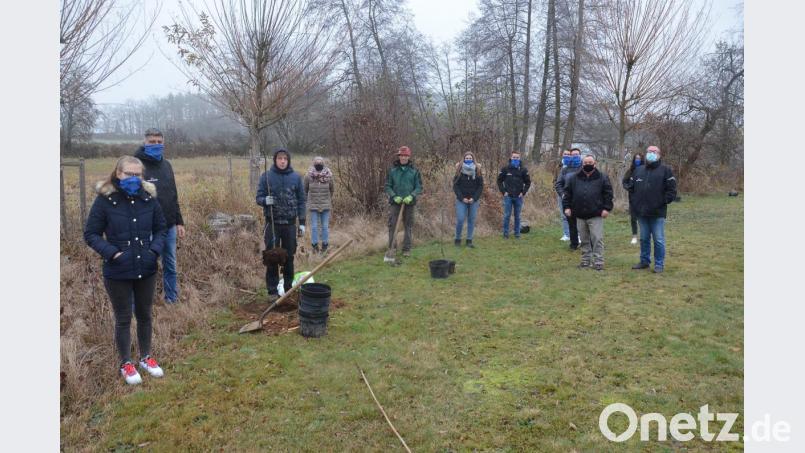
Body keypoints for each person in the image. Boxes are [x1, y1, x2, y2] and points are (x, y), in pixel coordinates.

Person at [84, 156, 168, 385]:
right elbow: (91, 234)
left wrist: (153, 251)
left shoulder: (149, 198)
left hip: (146, 267)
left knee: (145, 315)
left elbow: (161, 229)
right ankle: (126, 363)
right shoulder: (105, 200)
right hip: (117, 270)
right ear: (118, 174)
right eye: (129, 174)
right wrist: (113, 254)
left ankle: (146, 357)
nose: (133, 178)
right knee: (123, 318)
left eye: (137, 174)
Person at [134, 128, 185, 304]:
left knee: (170, 264)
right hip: (146, 227)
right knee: (146, 265)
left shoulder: (167, 165)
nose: (156, 145)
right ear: (145, 142)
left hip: (168, 226)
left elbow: (173, 195)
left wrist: (179, 221)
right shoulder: (135, 166)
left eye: (159, 142)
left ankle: (171, 299)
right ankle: (143, 303)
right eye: (152, 142)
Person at [256, 148, 306, 300]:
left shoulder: (296, 178)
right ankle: (272, 291)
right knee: (272, 257)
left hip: (290, 225)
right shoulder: (266, 177)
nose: (282, 161)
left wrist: (302, 223)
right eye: (280, 158)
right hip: (272, 224)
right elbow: (258, 197)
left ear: (288, 160)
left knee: (288, 257)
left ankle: (288, 289)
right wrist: (265, 200)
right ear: (275, 160)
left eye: (285, 158)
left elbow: (301, 201)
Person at [626, 145, 677, 273]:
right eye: (649, 151)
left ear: (659, 154)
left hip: (657, 212)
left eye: (654, 152)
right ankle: (644, 261)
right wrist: (635, 204)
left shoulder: (666, 170)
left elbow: (672, 191)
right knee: (644, 238)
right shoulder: (638, 170)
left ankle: (659, 264)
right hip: (641, 212)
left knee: (658, 240)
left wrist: (662, 202)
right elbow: (631, 188)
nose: (651, 153)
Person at [562, 154, 614, 271]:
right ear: (582, 164)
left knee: (597, 238)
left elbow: (608, 194)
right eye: (585, 163)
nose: (588, 165)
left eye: (590, 163)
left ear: (594, 164)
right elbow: (567, 194)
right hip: (580, 214)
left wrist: (606, 208)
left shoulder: (602, 177)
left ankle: (598, 262)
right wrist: (567, 207)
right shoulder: (574, 178)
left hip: (596, 214)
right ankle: (585, 261)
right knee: (584, 239)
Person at [384, 145, 423, 257]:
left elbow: (419, 187)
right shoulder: (392, 170)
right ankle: (392, 248)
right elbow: (387, 186)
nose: (403, 157)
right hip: (395, 202)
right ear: (399, 156)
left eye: (406, 156)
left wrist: (412, 196)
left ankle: (406, 249)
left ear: (409, 157)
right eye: (401, 155)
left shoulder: (414, 171)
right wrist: (394, 196)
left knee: (408, 225)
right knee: (392, 225)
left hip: (409, 203)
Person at [497, 151, 531, 239]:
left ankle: (517, 234)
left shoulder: (523, 170)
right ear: (511, 158)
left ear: (519, 158)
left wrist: (523, 192)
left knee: (517, 216)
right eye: (514, 157)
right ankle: (505, 234)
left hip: (518, 197)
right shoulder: (505, 169)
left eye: (517, 157)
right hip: (508, 196)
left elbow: (528, 182)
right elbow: (499, 181)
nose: (515, 159)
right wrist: (503, 192)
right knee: (507, 216)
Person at [452, 151, 484, 248]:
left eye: (470, 158)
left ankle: (469, 240)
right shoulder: (459, 170)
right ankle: (457, 239)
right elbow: (455, 186)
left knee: (471, 220)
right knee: (460, 219)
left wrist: (474, 198)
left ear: (473, 159)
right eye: (467, 158)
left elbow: (480, 186)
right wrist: (462, 198)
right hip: (461, 200)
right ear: (464, 159)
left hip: (474, 200)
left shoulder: (477, 170)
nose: (468, 160)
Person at [304, 156, 334, 254]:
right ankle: (315, 245)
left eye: (320, 162)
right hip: (313, 205)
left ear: (323, 163)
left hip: (325, 205)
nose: (318, 163)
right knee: (314, 227)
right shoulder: (308, 176)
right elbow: (305, 190)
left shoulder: (329, 176)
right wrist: (306, 202)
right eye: (316, 162)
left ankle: (325, 245)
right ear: (314, 163)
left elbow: (332, 190)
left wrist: (328, 199)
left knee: (325, 226)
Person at [554, 148, 582, 249]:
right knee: (568, 217)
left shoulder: (584, 168)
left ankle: (581, 237)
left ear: (580, 155)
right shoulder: (565, 169)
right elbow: (558, 184)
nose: (574, 156)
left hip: (580, 198)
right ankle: (571, 238)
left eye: (576, 154)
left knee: (580, 218)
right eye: (572, 155)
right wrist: (562, 194)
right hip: (567, 198)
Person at [622, 152, 644, 245]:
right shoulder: (630, 171)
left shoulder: (646, 170)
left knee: (643, 218)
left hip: (644, 198)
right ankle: (634, 236)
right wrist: (629, 188)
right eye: (636, 158)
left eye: (639, 158)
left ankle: (643, 235)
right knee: (633, 218)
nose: (637, 160)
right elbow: (624, 182)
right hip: (633, 198)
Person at [556, 149, 572, 242]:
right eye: (565, 154)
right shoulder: (558, 166)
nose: (566, 156)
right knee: (564, 215)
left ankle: (576, 234)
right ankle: (566, 234)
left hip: (571, 194)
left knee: (573, 214)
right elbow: (556, 179)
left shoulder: (573, 166)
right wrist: (560, 193)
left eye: (568, 154)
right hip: (560, 194)